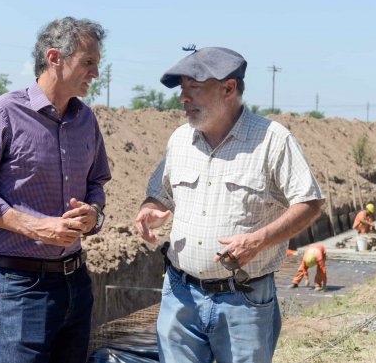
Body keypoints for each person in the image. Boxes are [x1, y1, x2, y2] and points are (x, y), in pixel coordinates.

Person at [135, 46, 324, 363]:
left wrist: (258, 241)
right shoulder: (180, 140)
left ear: (229, 88)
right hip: (180, 297)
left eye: (193, 87)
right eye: (182, 88)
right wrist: (149, 208)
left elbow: (310, 203)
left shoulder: (273, 140)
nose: (183, 97)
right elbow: (160, 194)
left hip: (243, 301)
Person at [0, 17, 111, 363]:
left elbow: (97, 183)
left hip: (77, 283)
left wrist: (93, 213)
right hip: (20, 287)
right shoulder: (2, 113)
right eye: (88, 62)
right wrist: (35, 226)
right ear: (54, 57)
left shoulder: (86, 120)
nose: (96, 73)